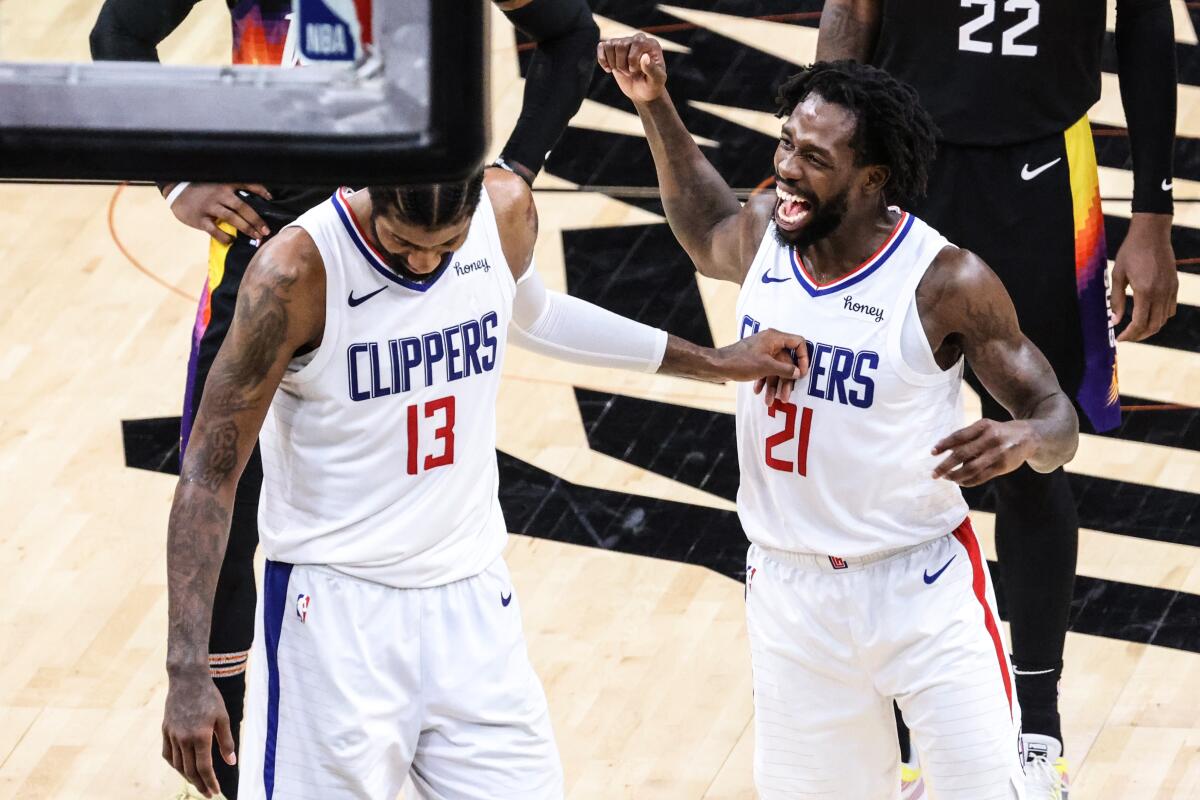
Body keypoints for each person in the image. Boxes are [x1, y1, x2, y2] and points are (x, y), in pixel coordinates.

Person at [160, 163, 808, 800]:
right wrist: (187, 668)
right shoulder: (296, 271)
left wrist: (714, 362)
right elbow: (207, 475)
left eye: (444, 246)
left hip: (473, 601)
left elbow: (542, 318)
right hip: (335, 616)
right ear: (368, 193)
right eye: (403, 243)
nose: (422, 264)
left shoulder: (502, 212)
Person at [91, 1, 598, 796]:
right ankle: (236, 749)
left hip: (419, 229)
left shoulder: (451, 229)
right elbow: (117, 33)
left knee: (410, 498)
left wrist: (516, 168)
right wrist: (179, 175)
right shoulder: (283, 275)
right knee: (224, 509)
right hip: (271, 247)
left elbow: (573, 34)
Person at [600, 35, 1080, 799]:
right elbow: (705, 228)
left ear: (871, 180)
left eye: (815, 158)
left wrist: (1023, 439)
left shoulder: (944, 281)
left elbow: (1057, 417)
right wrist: (655, 106)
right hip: (791, 595)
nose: (787, 167)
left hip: (919, 585)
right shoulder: (766, 230)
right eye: (787, 142)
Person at [814, 1, 1179, 795]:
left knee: (1032, 456)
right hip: (901, 170)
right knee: (890, 452)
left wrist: (1153, 212)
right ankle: (906, 706)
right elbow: (852, 8)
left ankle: (1037, 721)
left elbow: (1148, 26)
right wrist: (820, 157)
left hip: (1042, 169)